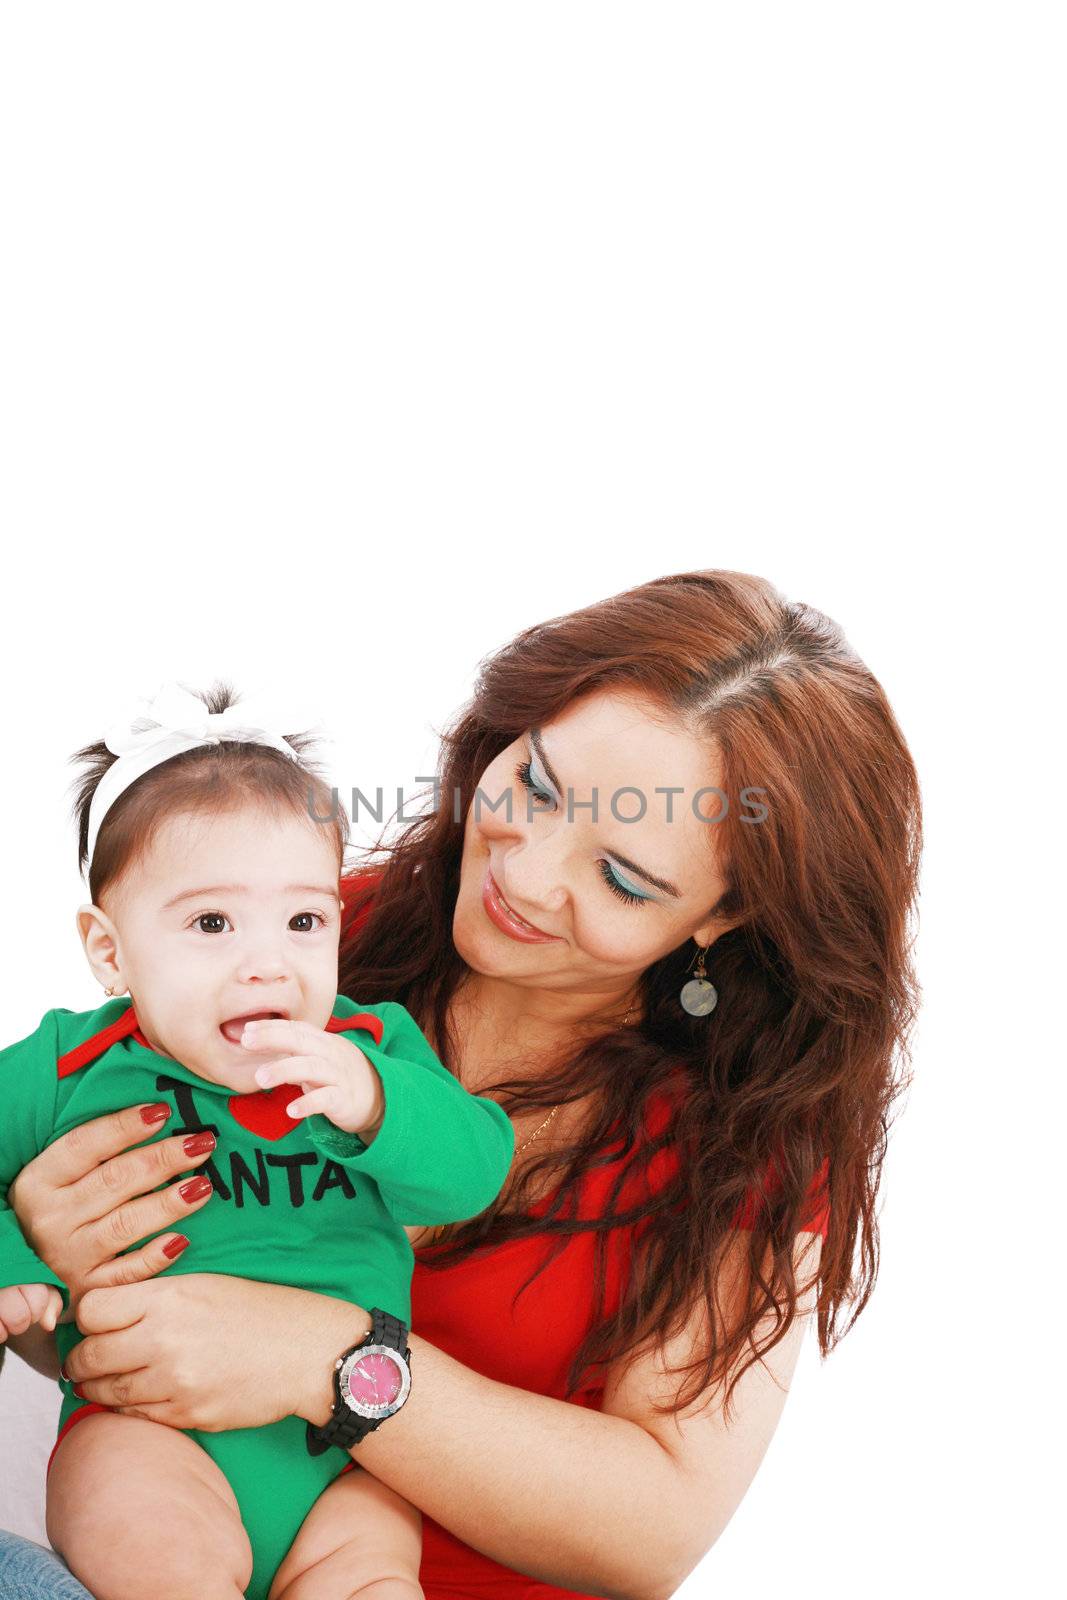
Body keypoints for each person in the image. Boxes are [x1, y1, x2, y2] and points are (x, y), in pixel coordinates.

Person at [3, 570, 922, 1600]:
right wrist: (45, 1250)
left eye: (621, 876)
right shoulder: (295, 936)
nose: (524, 875)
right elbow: (82, 1342)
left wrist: (331, 1359)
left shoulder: (751, 1134)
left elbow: (653, 1529)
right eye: (531, 785)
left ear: (724, 916)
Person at [0, 681, 515, 1600]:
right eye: (210, 924)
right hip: (149, 1434)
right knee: (167, 1562)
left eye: (304, 921)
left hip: (341, 1461)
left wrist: (376, 1105)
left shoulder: (366, 1053)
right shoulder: (69, 1066)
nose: (267, 961)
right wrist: (15, 1256)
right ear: (109, 951)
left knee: (376, 1579)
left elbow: (474, 1174)